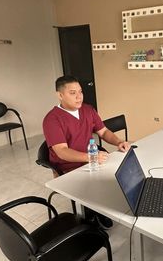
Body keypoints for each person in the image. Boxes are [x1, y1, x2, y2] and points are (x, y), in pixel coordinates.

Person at [43, 75, 131, 225]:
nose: (79, 97)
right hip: (68, 166)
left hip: (90, 159)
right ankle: (92, 215)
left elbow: (103, 131)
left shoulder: (88, 109)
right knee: (98, 184)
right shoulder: (52, 119)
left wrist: (119, 142)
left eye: (80, 92)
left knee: (121, 173)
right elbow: (62, 151)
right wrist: (92, 158)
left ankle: (100, 209)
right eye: (73, 93)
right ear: (60, 95)